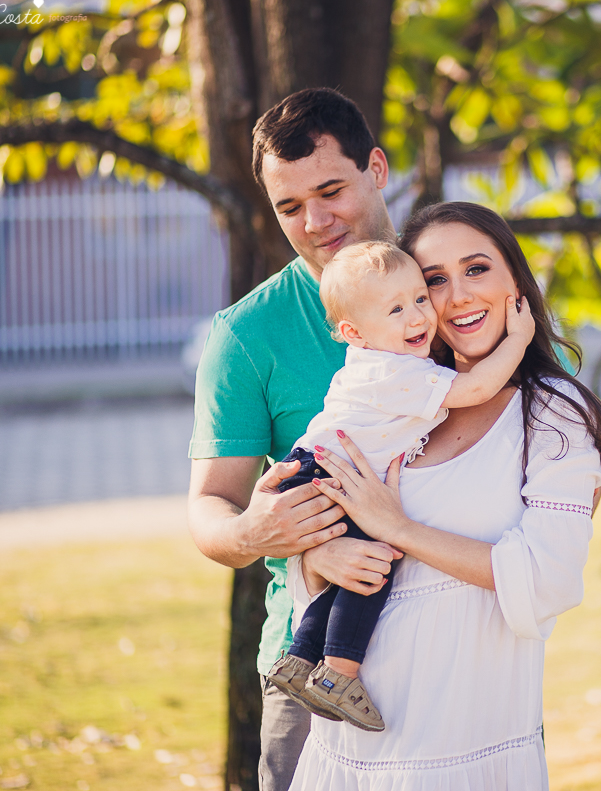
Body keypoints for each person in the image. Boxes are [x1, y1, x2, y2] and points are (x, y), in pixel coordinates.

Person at [286, 201, 601, 790]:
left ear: (516, 281)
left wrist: (400, 530)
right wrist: (316, 556)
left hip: (459, 749)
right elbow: (323, 536)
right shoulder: (400, 403)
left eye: (477, 269)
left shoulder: (551, 415)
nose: (457, 296)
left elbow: (548, 578)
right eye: (433, 281)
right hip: (345, 754)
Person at [187, 88, 406, 791]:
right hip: (312, 667)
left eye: (331, 190)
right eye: (289, 207)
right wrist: (259, 530)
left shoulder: (452, 287)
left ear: (376, 166)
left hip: (454, 646)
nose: (315, 222)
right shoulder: (246, 336)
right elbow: (210, 512)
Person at [265, 239, 535, 732]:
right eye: (395, 309)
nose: (418, 317)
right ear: (353, 333)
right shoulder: (395, 371)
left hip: (320, 471)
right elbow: (475, 390)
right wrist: (518, 339)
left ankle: (300, 658)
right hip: (328, 477)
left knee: (358, 565)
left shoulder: (380, 363)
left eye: (417, 298)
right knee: (376, 564)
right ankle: (340, 674)